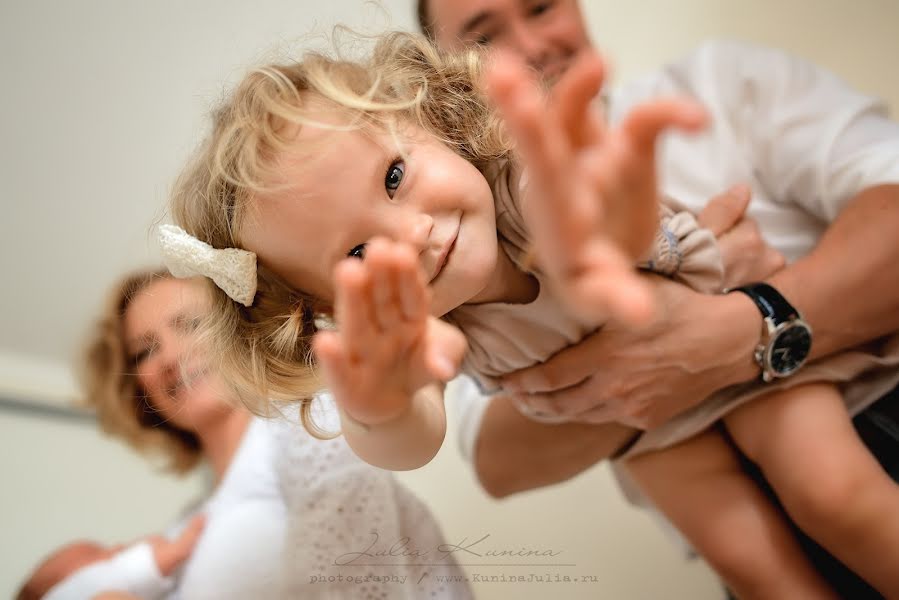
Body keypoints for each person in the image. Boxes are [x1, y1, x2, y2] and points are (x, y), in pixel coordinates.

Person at [159, 25, 898, 595]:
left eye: (393, 176)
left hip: (729, 343)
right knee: (750, 565)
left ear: (437, 128)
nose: (410, 235)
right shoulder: (430, 330)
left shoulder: (520, 191)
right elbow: (414, 435)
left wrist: (570, 172)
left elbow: (583, 221)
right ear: (327, 305)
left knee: (831, 493)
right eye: (356, 254)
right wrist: (378, 408)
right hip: (653, 434)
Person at [419, 0, 899, 596]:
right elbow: (498, 460)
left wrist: (733, 316)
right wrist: (643, 356)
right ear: (441, 78)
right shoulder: (457, 231)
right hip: (664, 439)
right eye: (483, 37)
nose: (530, 46)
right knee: (747, 562)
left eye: (541, 7)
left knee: (832, 491)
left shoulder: (717, 84)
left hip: (865, 411)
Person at [18, 268, 471, 599]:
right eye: (145, 351)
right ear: (138, 387)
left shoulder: (307, 423)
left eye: (189, 324)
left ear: (236, 329)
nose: (171, 356)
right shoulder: (185, 530)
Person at [17, 517, 205, 600]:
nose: (116, 548)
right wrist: (177, 548)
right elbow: (123, 572)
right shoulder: (71, 593)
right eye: (95, 554)